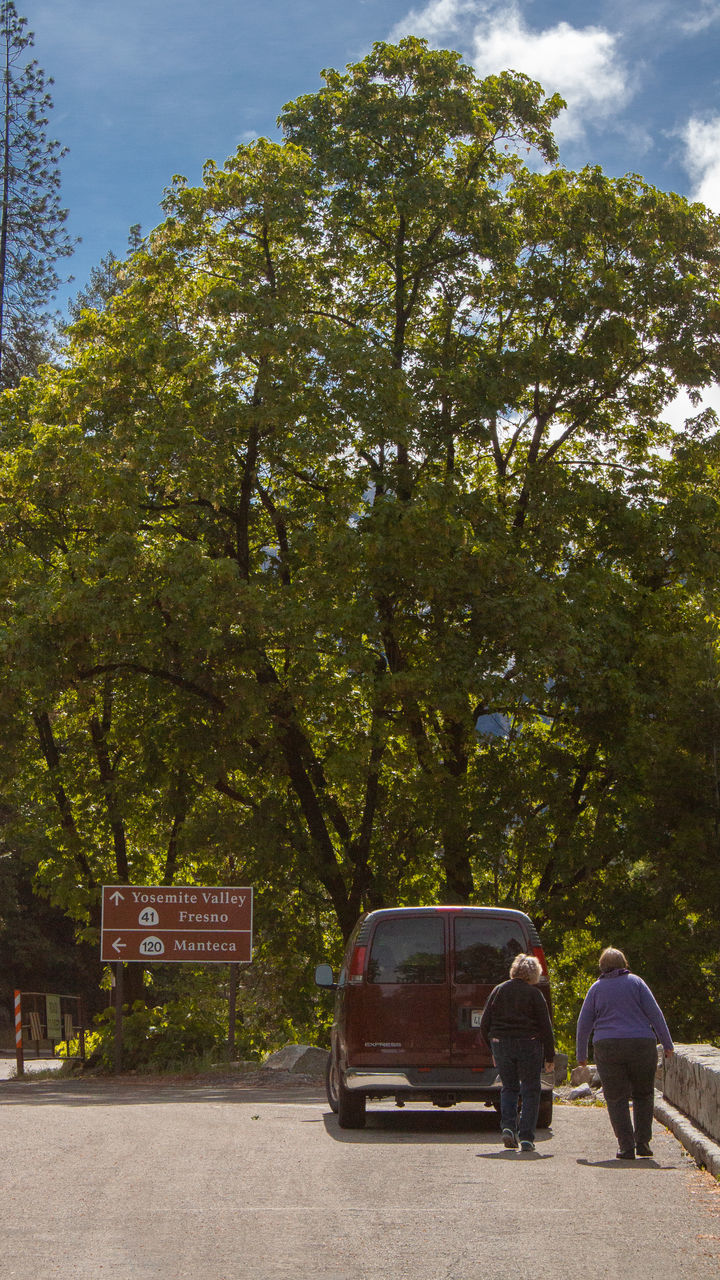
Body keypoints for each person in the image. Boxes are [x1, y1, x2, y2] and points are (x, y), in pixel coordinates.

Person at [576, 946, 674, 1160]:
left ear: (602, 966)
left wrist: (581, 1055)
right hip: (641, 1044)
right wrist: (667, 1044)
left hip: (608, 1047)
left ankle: (626, 1146)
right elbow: (655, 1014)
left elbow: (583, 1024)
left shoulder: (596, 988)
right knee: (644, 1094)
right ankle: (643, 1143)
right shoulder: (637, 983)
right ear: (624, 964)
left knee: (616, 1097)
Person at [479, 953, 555, 1152]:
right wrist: (550, 1056)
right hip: (528, 1044)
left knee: (509, 1087)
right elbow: (546, 1027)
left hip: (501, 1043)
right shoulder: (534, 994)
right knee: (531, 1089)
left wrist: (492, 1049)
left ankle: (508, 1127)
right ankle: (527, 1137)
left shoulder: (498, 990)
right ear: (534, 974)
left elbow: (484, 1024)